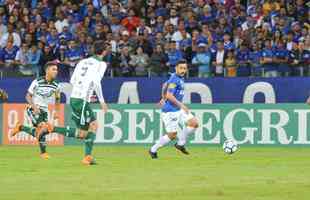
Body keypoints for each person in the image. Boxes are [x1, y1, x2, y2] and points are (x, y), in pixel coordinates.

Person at [38, 41, 109, 165]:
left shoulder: (82, 61)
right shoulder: (101, 64)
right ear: (104, 51)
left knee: (83, 133)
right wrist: (102, 101)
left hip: (75, 97)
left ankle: (52, 129)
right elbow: (96, 82)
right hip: (82, 100)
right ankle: (87, 157)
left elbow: (73, 80)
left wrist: (85, 90)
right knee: (92, 127)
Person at [149, 59, 199, 159]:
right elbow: (169, 94)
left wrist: (163, 98)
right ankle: (153, 150)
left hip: (178, 109)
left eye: (184, 68)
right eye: (181, 68)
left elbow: (164, 85)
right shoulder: (175, 79)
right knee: (172, 135)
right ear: (176, 68)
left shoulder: (178, 77)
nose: (183, 70)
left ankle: (180, 144)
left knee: (194, 123)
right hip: (170, 111)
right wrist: (181, 105)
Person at [11, 62, 60, 159]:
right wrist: (34, 107)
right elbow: (28, 96)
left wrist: (56, 112)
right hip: (33, 109)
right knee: (42, 127)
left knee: (41, 132)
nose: (56, 71)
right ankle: (43, 153)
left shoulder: (56, 85)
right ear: (47, 71)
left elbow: (58, 99)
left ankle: (21, 127)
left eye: (56, 69)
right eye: (53, 69)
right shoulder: (37, 81)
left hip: (45, 111)